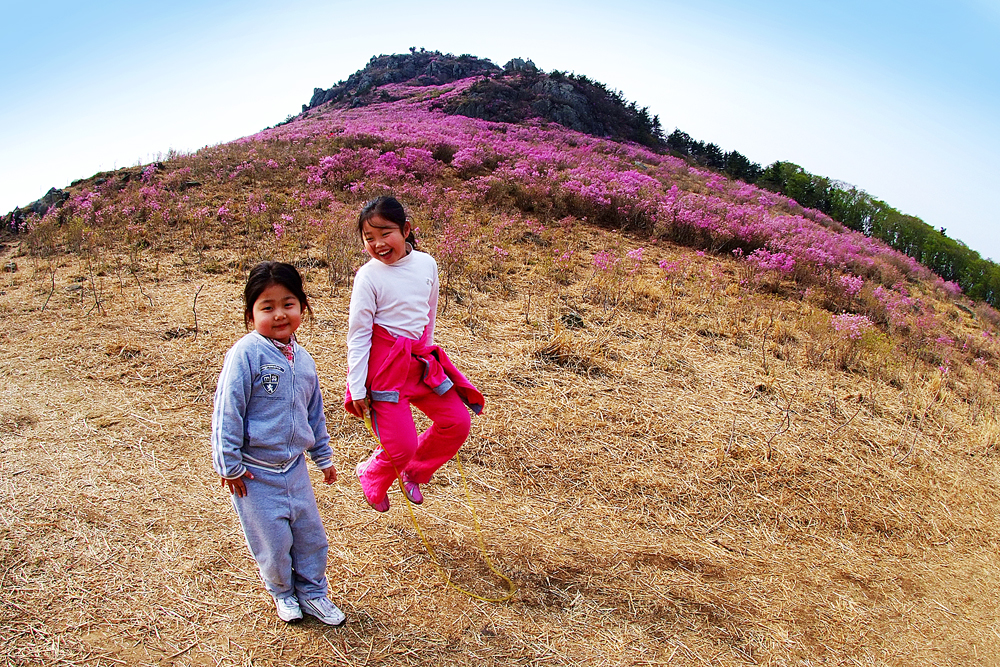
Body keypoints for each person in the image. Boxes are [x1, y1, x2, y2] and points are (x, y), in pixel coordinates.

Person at [211, 261, 346, 626]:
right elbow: (228, 409)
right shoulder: (247, 353)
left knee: (310, 536)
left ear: (303, 307)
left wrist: (323, 456)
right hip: (255, 476)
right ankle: (283, 592)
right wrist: (229, 463)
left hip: (295, 468)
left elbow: (314, 413)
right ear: (251, 314)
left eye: (288, 304)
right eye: (266, 307)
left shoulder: (304, 360)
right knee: (272, 542)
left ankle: (314, 593)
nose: (279, 314)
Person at [345, 196, 484, 512]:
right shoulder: (368, 276)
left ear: (406, 230)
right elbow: (358, 335)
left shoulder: (427, 263)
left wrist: (429, 353)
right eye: (369, 238)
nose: (378, 244)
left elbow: (428, 312)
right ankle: (373, 475)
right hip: (384, 369)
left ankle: (414, 471)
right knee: (401, 445)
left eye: (385, 233)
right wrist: (356, 387)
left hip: (419, 361)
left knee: (457, 422)